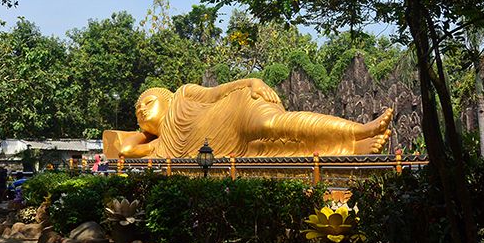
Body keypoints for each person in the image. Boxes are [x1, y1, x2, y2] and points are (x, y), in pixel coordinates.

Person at [104, 78, 393, 159]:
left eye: (147, 102)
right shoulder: (160, 148)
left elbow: (216, 93)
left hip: (234, 109)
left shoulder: (182, 95)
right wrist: (148, 133)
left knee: (274, 125)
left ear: (165, 99)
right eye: (138, 112)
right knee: (280, 150)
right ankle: (352, 149)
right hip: (232, 148)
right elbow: (126, 149)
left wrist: (252, 82)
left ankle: (359, 129)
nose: (142, 110)